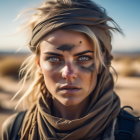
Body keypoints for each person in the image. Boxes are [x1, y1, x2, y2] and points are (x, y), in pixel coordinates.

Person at [2, 0, 140, 140]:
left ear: (101, 62)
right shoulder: (15, 129)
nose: (68, 74)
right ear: (39, 64)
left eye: (84, 58)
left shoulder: (133, 133)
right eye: (54, 59)